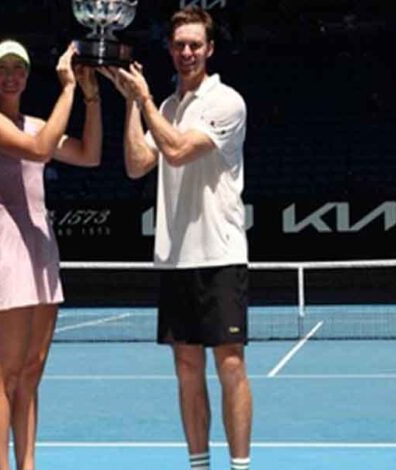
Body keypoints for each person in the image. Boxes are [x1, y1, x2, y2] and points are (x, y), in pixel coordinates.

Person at [101, 7, 251, 470]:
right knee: (186, 369)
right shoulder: (166, 108)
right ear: (170, 49)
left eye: (195, 45)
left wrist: (144, 99)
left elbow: (179, 150)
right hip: (174, 258)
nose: (187, 52)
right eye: (179, 45)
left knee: (230, 365)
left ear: (209, 49)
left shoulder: (227, 102)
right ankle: (199, 465)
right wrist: (133, 103)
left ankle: (240, 467)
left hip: (220, 254)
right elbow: (136, 164)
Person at [0, 39, 101, 470]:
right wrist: (68, 88)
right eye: (2, 69)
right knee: (5, 372)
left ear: (26, 75)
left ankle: (28, 464)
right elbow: (41, 150)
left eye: (18, 69)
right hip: (9, 249)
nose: (10, 76)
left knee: (32, 369)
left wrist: (91, 97)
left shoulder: (37, 124)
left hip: (42, 249)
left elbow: (89, 154)